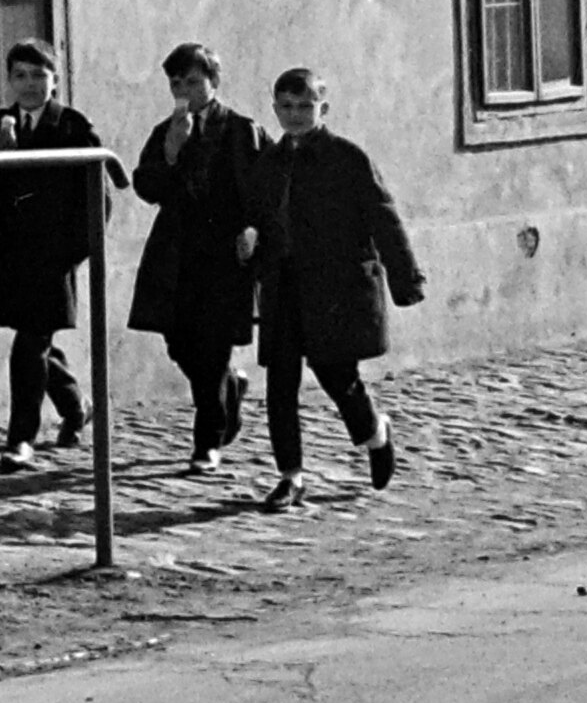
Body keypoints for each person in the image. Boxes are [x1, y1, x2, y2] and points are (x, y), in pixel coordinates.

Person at [249, 64, 423, 499]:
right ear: (274, 109)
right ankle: (291, 476)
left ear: (322, 109)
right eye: (286, 106)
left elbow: (383, 218)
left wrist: (406, 279)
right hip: (283, 287)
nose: (294, 115)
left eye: (304, 106)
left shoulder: (346, 158)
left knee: (336, 376)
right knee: (280, 384)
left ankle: (375, 432)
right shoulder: (269, 162)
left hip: (333, 287)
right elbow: (257, 216)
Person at [126, 40, 261, 466]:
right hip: (176, 252)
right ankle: (228, 387)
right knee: (179, 343)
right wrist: (171, 151)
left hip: (223, 254)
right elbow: (146, 186)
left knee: (213, 346)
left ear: (214, 82)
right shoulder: (166, 131)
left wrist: (253, 230)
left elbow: (264, 188)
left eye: (193, 81)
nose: (185, 91)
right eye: (177, 83)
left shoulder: (241, 129)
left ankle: (208, 442)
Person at [0, 39, 107, 454]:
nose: (29, 84)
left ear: (55, 80)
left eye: (38, 75)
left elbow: (97, 198)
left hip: (55, 254)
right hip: (13, 251)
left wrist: (75, 252)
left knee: (29, 343)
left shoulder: (73, 127)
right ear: (9, 81)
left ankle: (21, 438)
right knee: (36, 339)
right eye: (20, 76)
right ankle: (76, 405)